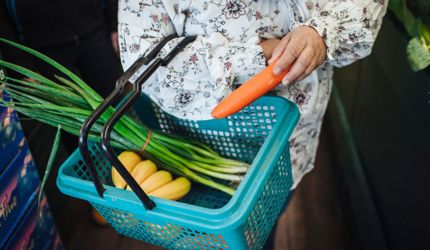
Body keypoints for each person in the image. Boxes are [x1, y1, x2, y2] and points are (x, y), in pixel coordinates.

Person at [118, 0, 388, 248]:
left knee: (263, 227)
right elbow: (143, 64)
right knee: (197, 234)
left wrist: (320, 34)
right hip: (190, 143)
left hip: (286, 146)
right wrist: (260, 54)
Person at [0, 0, 120, 98]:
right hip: (44, 52)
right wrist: (20, 64)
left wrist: (115, 22)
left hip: (94, 29)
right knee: (73, 119)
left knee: (116, 98)